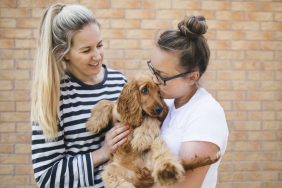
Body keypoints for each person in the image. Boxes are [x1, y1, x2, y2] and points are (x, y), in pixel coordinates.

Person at [30, 3, 130, 188]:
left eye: (99, 45)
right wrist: (102, 153)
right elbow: (46, 177)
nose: (97, 55)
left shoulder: (119, 81)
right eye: (86, 50)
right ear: (64, 53)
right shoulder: (53, 96)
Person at [147, 16, 229, 188]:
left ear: (192, 77)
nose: (154, 80)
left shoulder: (206, 113)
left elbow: (183, 185)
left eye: (162, 76)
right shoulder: (167, 103)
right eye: (153, 70)